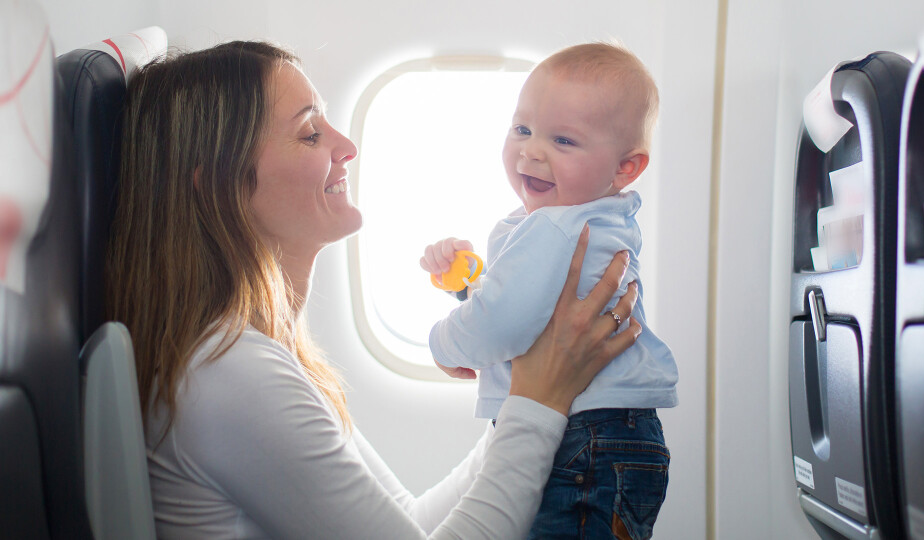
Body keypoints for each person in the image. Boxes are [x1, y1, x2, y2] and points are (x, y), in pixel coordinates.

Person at [106, 40, 642, 539]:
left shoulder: (265, 354)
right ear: (219, 182)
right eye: (310, 133)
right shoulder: (229, 373)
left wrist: (534, 388)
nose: (346, 145)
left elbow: (410, 521)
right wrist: (538, 398)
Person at [420, 42, 678, 539]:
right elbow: (531, 308)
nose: (531, 150)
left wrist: (443, 343)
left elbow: (503, 322)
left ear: (626, 167)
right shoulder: (591, 219)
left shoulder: (555, 228)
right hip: (612, 437)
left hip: (582, 439)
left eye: (563, 140)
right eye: (522, 129)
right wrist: (467, 284)